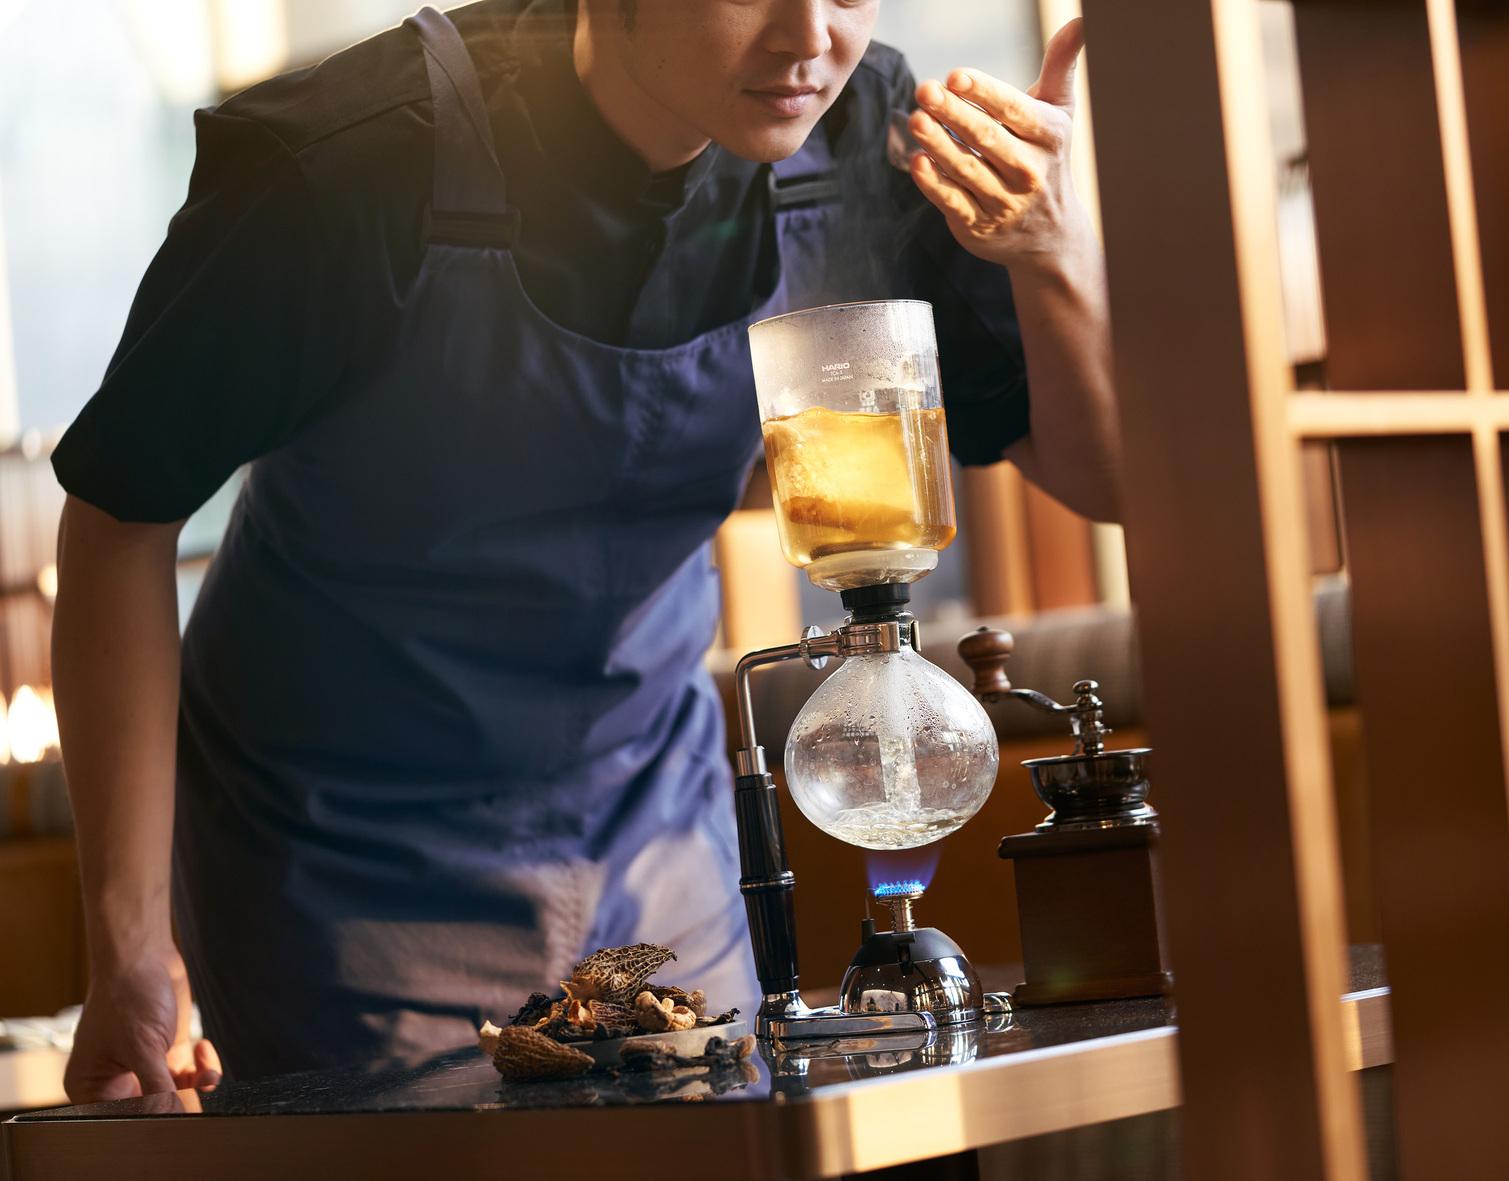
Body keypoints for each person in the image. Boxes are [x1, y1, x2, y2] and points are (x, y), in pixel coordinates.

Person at [51, 0, 1119, 1100]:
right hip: (341, 867)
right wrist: (130, 949)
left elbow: (1103, 475)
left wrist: (1052, 251)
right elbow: (119, 517)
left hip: (650, 833)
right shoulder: (347, 161)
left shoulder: (862, 137)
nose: (810, 39)